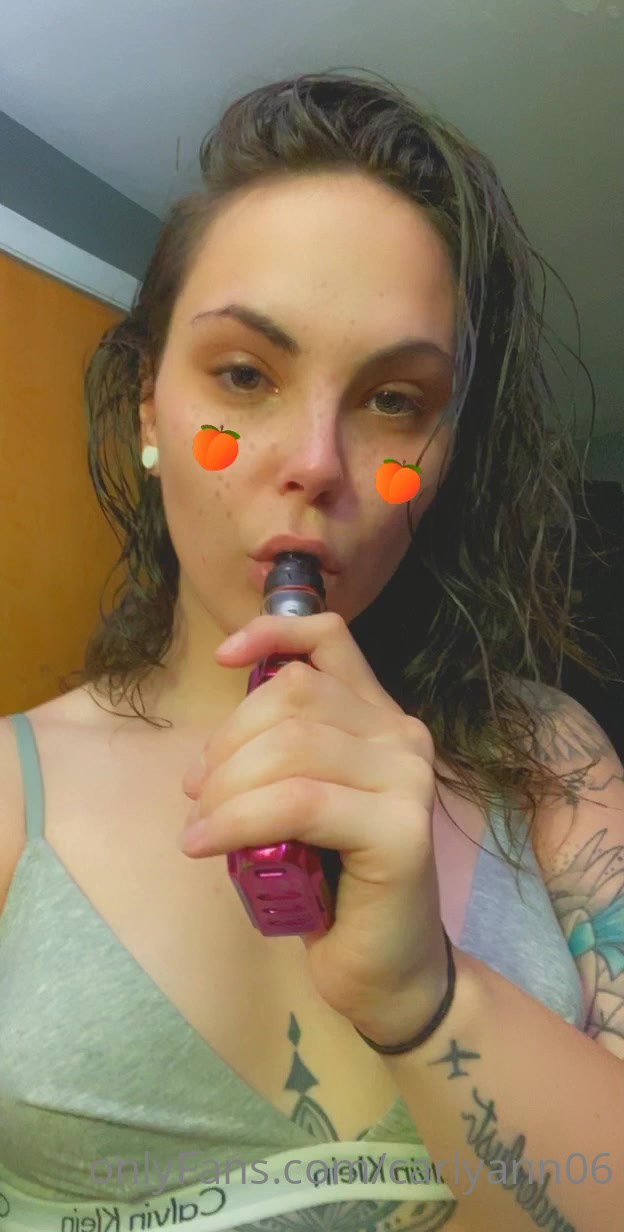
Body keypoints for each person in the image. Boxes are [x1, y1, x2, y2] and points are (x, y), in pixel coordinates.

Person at [1, 69, 622, 1232]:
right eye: (245, 374)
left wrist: (425, 997)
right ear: (148, 408)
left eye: (395, 399)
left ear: (443, 458)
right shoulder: (8, 787)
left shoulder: (550, 760)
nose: (318, 461)